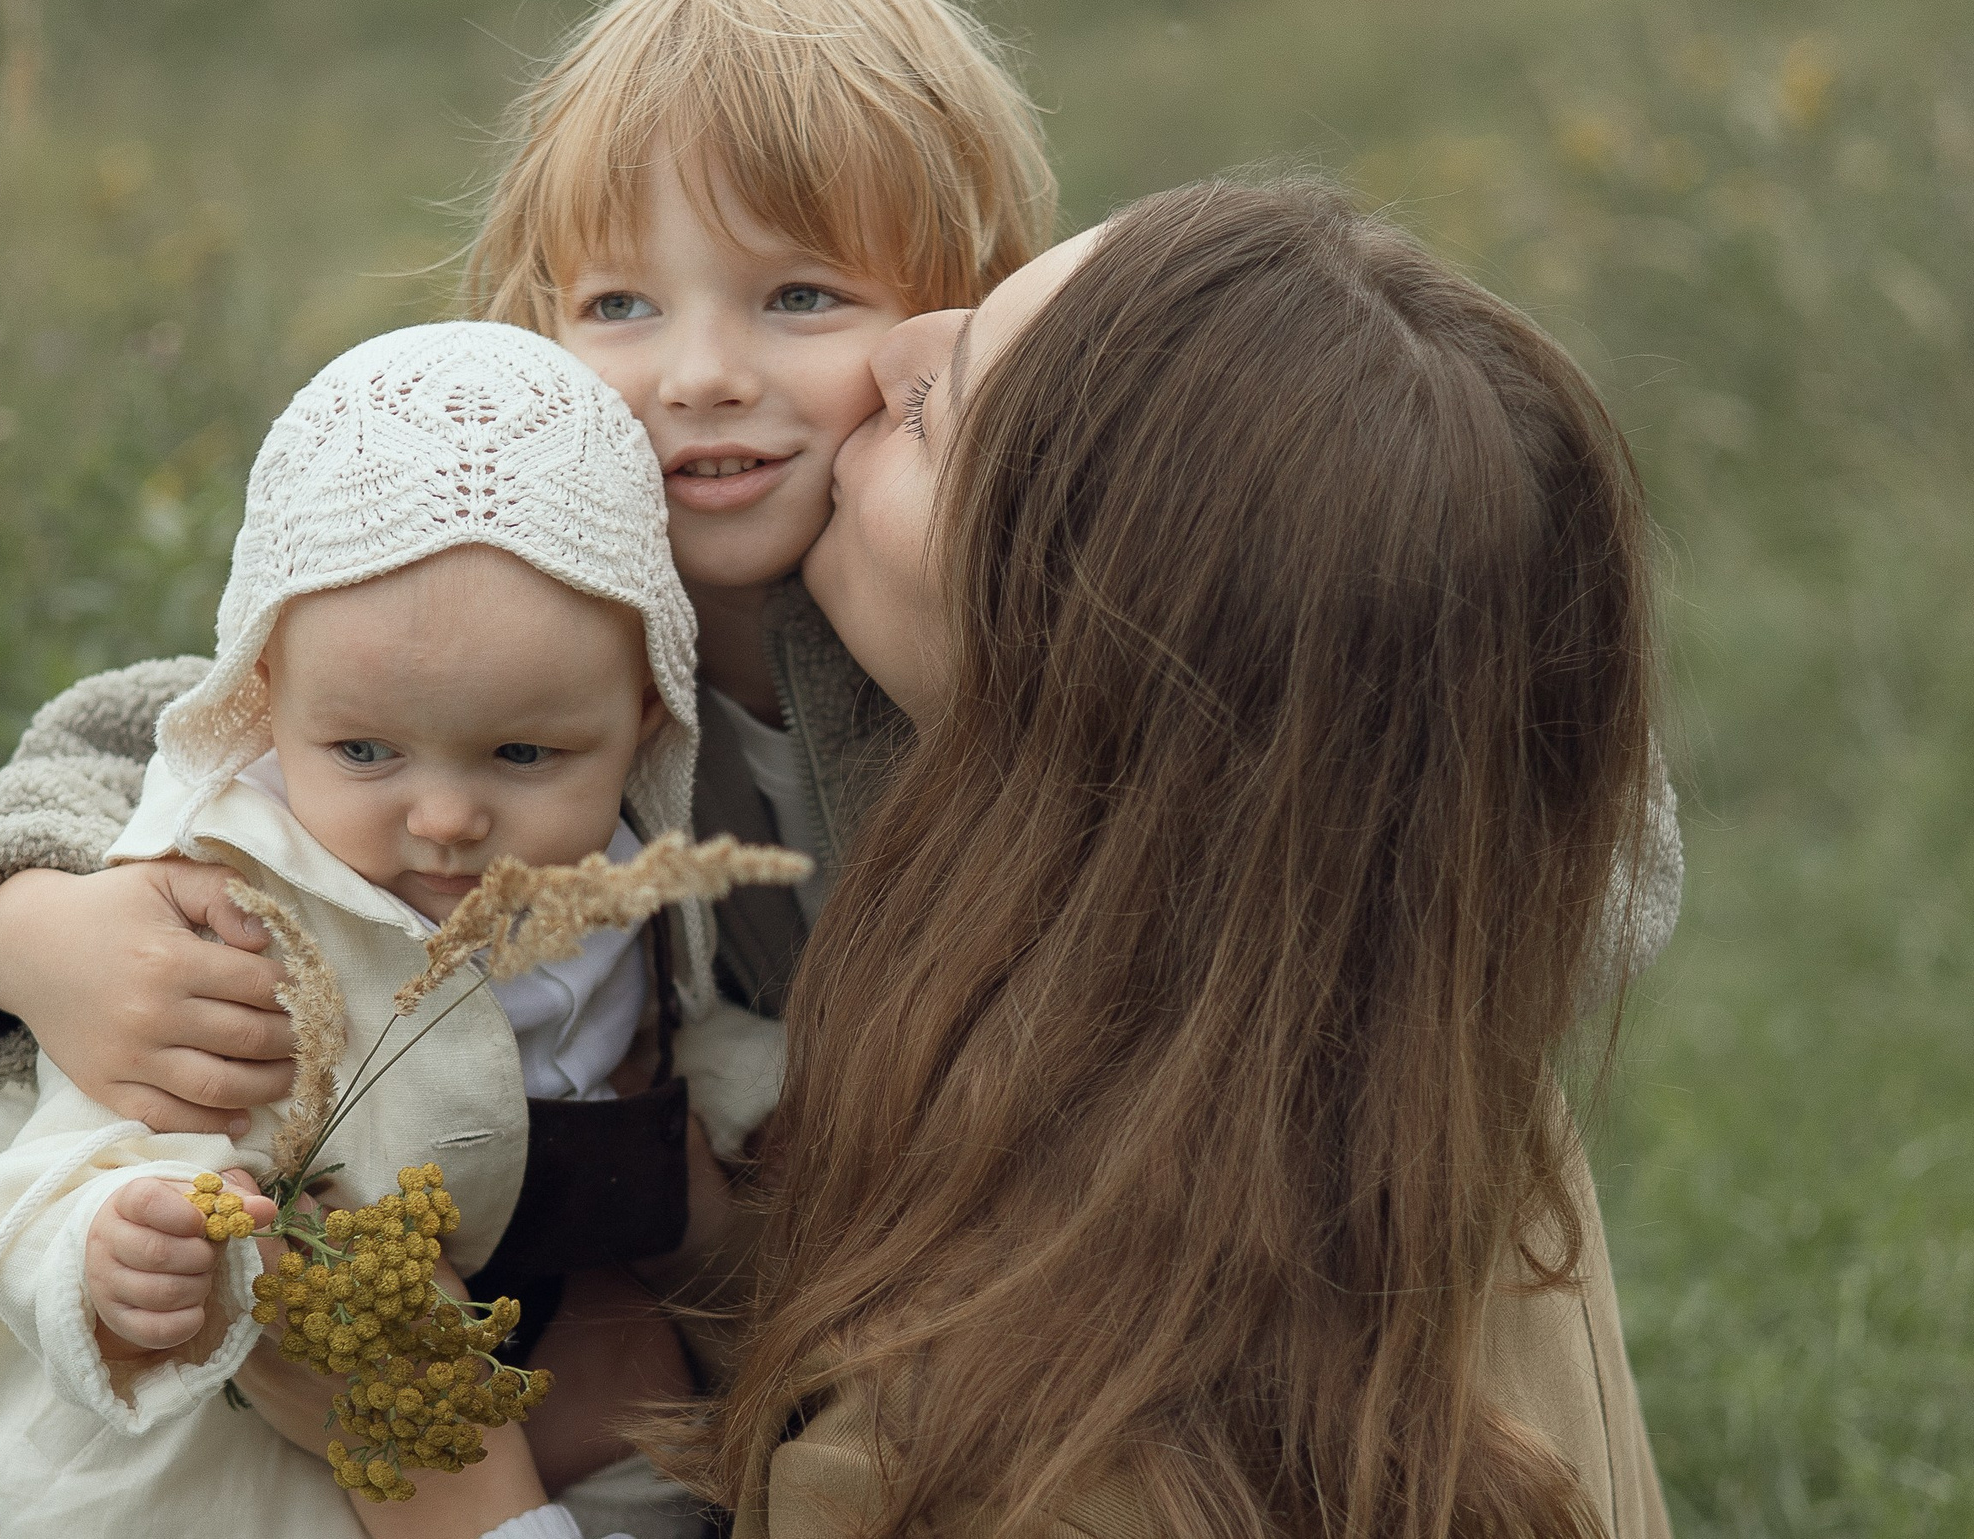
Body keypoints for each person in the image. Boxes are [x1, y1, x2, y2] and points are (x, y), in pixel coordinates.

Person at [251, 178, 1682, 1538]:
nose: (895, 351)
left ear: (1072, 654)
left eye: (939, 411)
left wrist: (435, 1447)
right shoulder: (1429, 1083)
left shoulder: (963, 1452)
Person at [0, 0, 1058, 1515]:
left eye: (798, 294)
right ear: (535, 323)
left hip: (712, 1220)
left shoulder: (960, 640)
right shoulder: (508, 573)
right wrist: (31, 934)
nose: (700, 374)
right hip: (378, 1213)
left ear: (946, 332)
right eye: (623, 303)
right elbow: (150, 733)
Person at [0, 323, 789, 1537]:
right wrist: (110, 1242)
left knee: (648, 1431)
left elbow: (652, 1047)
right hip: (185, 1406)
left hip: (472, 1326)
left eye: (524, 754)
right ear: (264, 700)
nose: (446, 820)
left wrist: (763, 1092)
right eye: (364, 751)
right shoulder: (230, 904)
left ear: (646, 723)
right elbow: (70, 1145)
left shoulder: (625, 887)